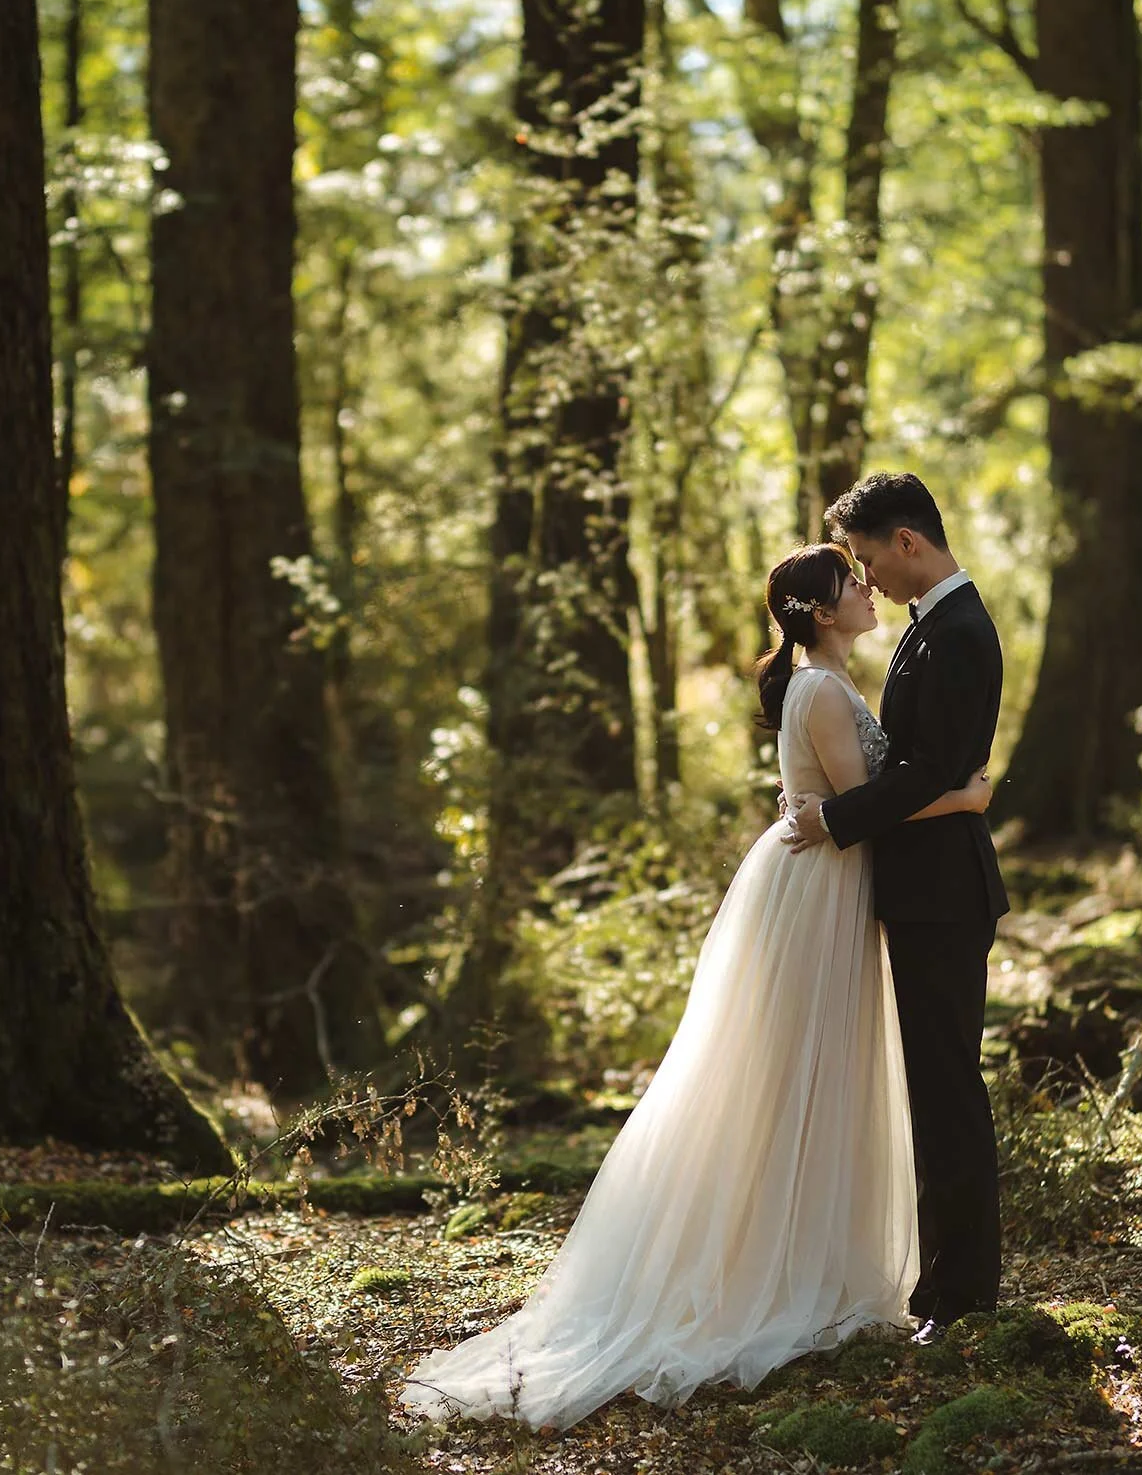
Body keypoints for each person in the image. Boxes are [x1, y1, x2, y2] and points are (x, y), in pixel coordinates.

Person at [399, 541, 993, 1430]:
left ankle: (805, 1252)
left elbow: (852, 804)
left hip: (826, 886)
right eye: (851, 581)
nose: (868, 588)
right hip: (820, 889)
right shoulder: (823, 691)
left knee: (808, 1075)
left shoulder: (822, 683)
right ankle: (770, 1267)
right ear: (821, 613)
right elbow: (865, 809)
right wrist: (965, 798)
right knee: (790, 1075)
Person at [781, 471, 1010, 1331]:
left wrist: (833, 817)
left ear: (907, 541)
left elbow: (926, 771)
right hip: (922, 890)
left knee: (948, 1088)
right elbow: (934, 774)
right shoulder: (930, 627)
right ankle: (941, 1286)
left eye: (870, 556)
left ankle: (963, 1296)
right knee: (933, 1086)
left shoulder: (959, 631)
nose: (866, 576)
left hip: (946, 893)